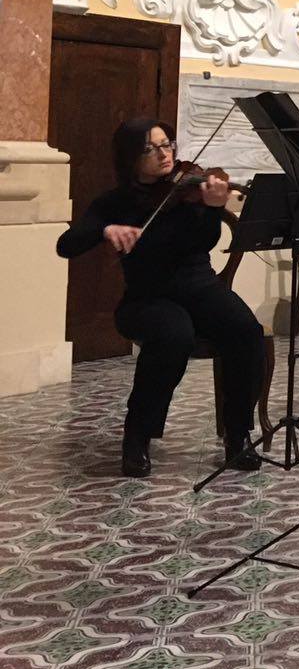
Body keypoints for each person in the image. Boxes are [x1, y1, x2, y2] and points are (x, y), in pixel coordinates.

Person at [54, 119, 264, 478]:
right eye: (151, 148)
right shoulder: (115, 201)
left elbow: (203, 242)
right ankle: (137, 435)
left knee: (246, 330)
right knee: (173, 335)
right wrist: (106, 229)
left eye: (167, 144)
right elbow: (67, 244)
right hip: (146, 298)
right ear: (131, 157)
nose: (164, 153)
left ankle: (238, 433)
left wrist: (213, 209)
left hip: (201, 287)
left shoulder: (188, 189)